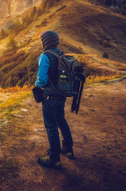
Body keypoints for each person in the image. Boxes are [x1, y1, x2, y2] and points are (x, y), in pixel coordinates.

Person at [34, 31, 74, 169]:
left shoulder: (45, 56)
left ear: (45, 42)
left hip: (50, 97)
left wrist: (37, 86)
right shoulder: (61, 54)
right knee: (61, 121)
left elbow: (42, 79)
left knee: (51, 126)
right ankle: (68, 149)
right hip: (61, 95)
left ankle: (54, 157)